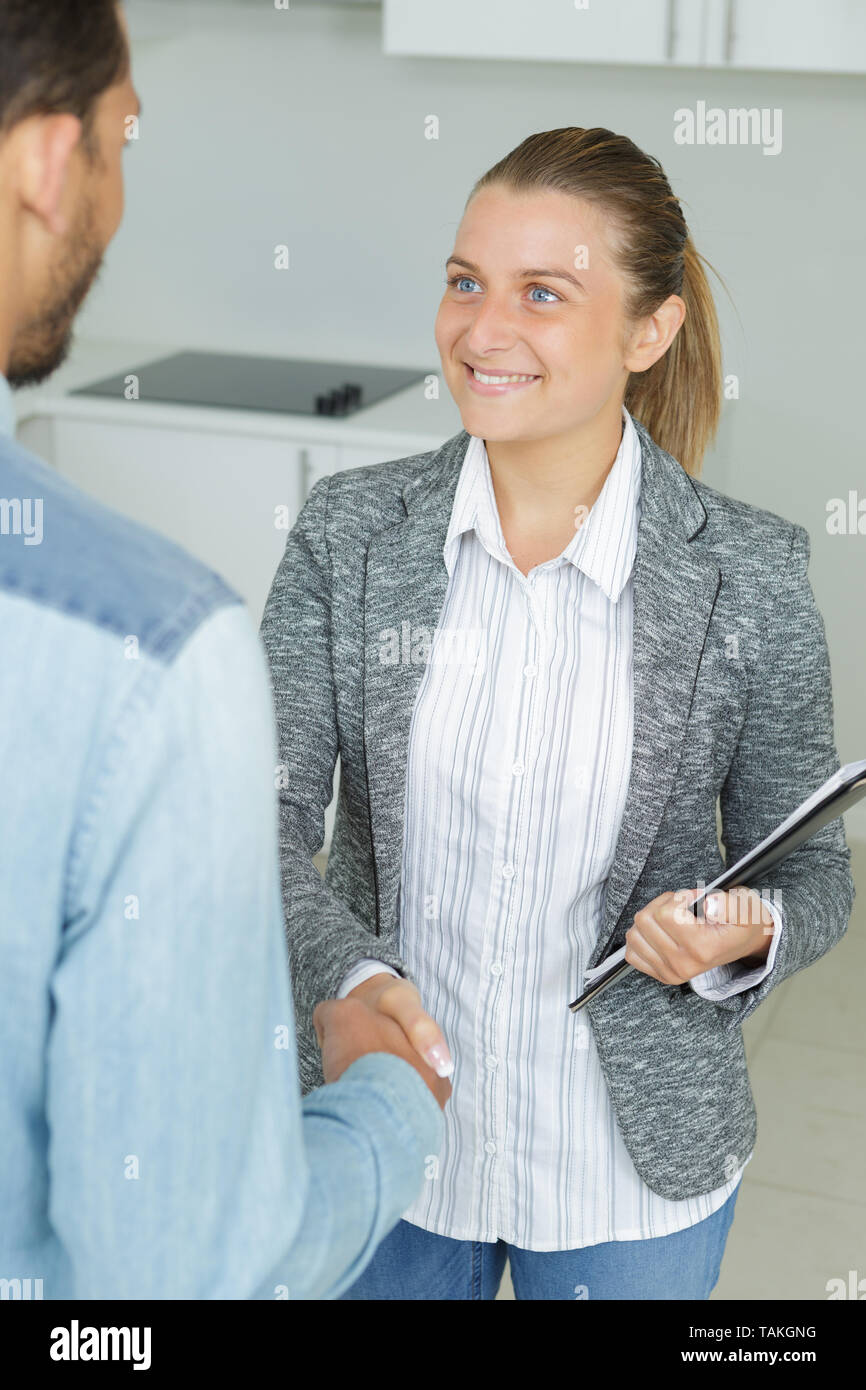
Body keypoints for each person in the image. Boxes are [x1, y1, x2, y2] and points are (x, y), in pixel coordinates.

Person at [259, 126, 855, 1300]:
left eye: (543, 293)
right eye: (465, 281)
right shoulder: (346, 535)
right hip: (389, 1138)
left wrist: (741, 933)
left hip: (625, 1171)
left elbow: (817, 877)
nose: (483, 331)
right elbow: (259, 820)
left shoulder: (751, 576)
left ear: (650, 330)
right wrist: (351, 974)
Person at [0, 0, 451, 1302]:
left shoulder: (727, 571)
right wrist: (389, 1105)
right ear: (47, 160)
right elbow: (183, 1280)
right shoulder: (150, 650)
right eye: (122, 141)